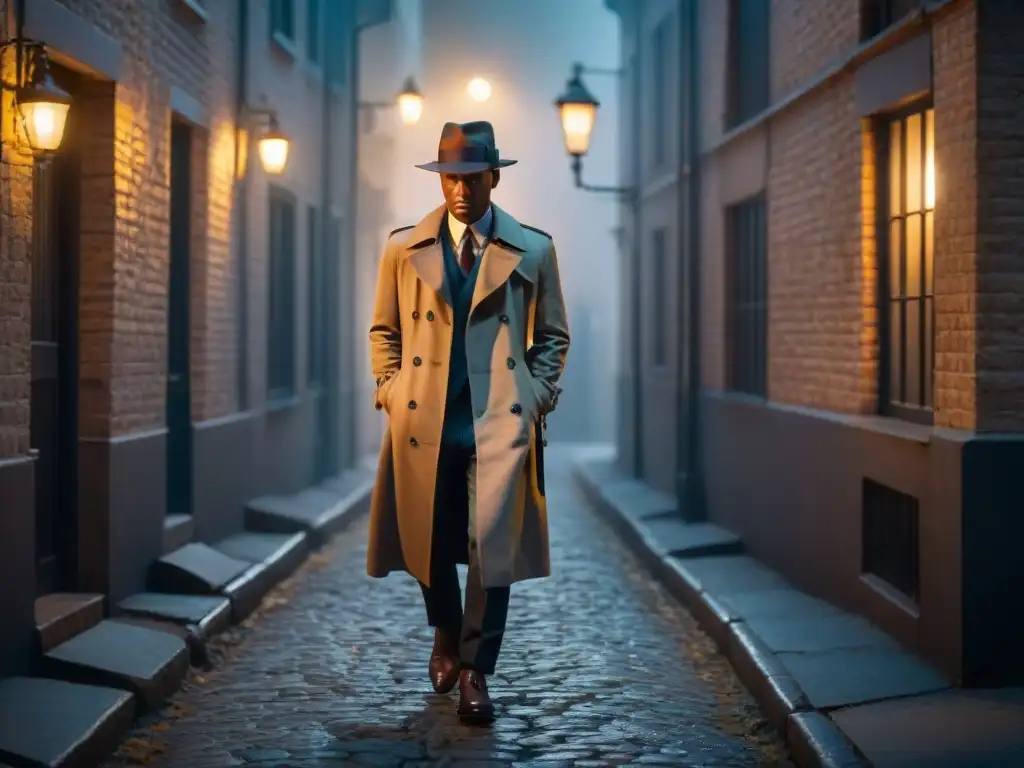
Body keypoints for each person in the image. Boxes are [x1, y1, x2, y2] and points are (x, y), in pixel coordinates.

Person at [366, 121, 570, 723]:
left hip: (497, 422)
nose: (459, 190)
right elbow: (384, 331)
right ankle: (446, 634)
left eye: (471, 178)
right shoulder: (403, 248)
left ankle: (477, 670)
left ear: (493, 178)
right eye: (450, 178)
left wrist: (534, 395)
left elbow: (553, 335)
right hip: (422, 417)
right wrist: (389, 387)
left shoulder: (533, 248)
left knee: (491, 546)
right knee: (426, 533)